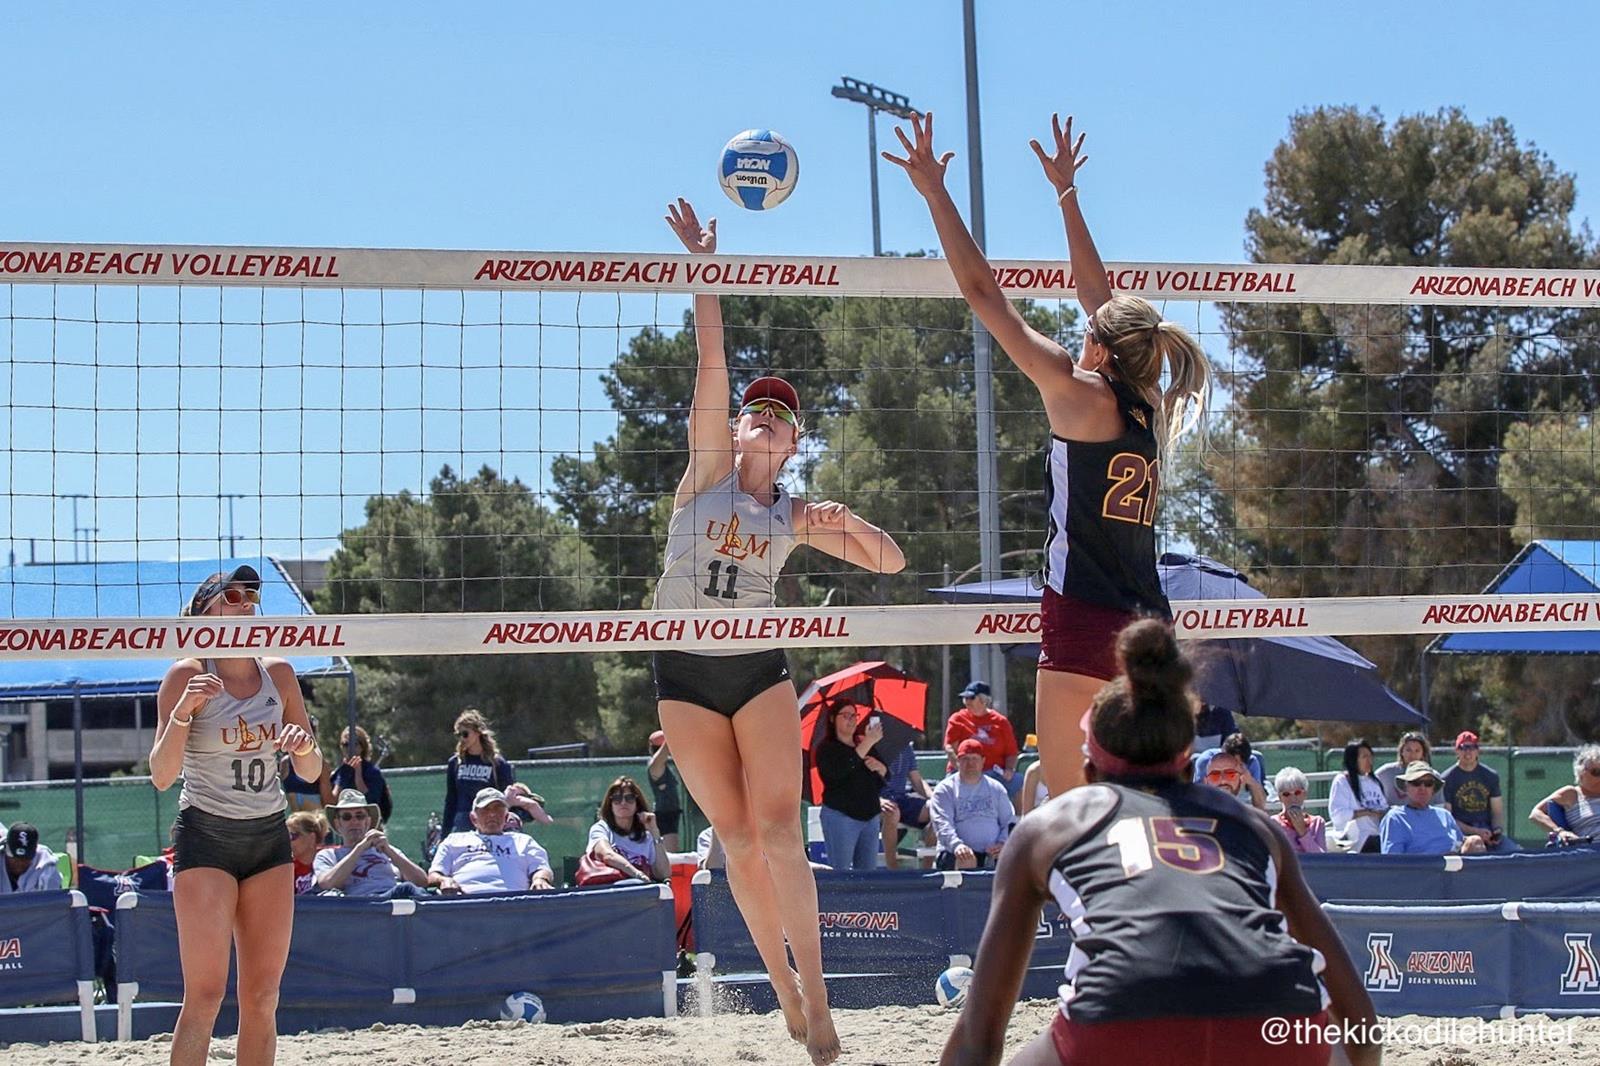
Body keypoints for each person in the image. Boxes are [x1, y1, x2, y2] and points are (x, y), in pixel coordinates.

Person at [887, 112, 1210, 801]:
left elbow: (983, 294)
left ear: (1100, 344)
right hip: (1148, 620)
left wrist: (935, 195)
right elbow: (1104, 302)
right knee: (1149, 801)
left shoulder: (1075, 387)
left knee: (1070, 813)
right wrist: (1066, 195)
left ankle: (1076, 912)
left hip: (1083, 616)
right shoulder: (1147, 398)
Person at [652, 198, 906, 1066]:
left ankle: (822, 1001)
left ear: (794, 443)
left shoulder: (795, 511)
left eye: (779, 413)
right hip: (684, 673)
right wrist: (705, 267)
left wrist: (849, 523)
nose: (763, 413)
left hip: (756, 670)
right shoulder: (708, 473)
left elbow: (891, 563)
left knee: (776, 835)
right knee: (737, 846)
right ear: (735, 429)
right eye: (756, 408)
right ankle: (788, 995)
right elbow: (711, 360)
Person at [940, 620, 1378, 1066]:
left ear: (1089, 772)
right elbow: (1362, 1026)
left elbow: (979, 1040)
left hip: (1122, 1020)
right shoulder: (1256, 826)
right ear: (1189, 767)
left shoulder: (1048, 826)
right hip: (1280, 1022)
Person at [148, 564, 322, 1066]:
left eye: (251, 595)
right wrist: (184, 712)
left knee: (263, 999)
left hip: (268, 837)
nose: (246, 602)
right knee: (204, 997)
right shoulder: (186, 674)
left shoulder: (280, 673)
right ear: (206, 610)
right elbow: (161, 775)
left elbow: (311, 772)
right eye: (233, 594)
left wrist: (303, 745)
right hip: (206, 836)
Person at [428, 788, 555, 895]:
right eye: (485, 810)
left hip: (514, 905)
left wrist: (540, 879)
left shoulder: (524, 842)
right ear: (473, 818)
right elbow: (434, 875)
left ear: (506, 818)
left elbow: (541, 868)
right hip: (465, 905)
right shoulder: (454, 840)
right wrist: (443, 880)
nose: (492, 814)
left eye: (497, 809)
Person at [312, 789, 432, 898]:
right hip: (362, 907)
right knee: (406, 888)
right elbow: (327, 883)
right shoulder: (328, 855)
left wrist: (389, 852)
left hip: (395, 902)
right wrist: (359, 849)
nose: (354, 821)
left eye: (360, 816)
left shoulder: (388, 851)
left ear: (368, 821)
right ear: (338, 824)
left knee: (410, 889)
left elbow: (422, 882)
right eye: (347, 817)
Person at [815, 705, 888, 872]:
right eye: (846, 715)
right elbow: (838, 773)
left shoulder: (864, 743)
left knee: (868, 875)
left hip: (870, 817)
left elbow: (883, 778)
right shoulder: (826, 749)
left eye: (854, 715)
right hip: (841, 816)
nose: (852, 720)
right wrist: (868, 741)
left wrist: (880, 768)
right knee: (841, 872)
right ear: (833, 719)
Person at [928, 739, 1015, 871]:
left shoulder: (996, 788)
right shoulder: (945, 789)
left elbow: (1009, 822)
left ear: (983, 761)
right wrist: (957, 846)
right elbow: (942, 825)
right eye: (965, 759)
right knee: (965, 861)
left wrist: (1003, 843)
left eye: (975, 758)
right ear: (958, 761)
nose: (970, 764)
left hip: (992, 854)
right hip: (955, 852)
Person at [1379, 763, 1487, 856]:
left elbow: (1458, 844)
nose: (1422, 788)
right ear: (1406, 787)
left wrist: (1471, 843)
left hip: (1453, 875)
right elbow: (1393, 863)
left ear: (1433, 789)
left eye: (1428, 783)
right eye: (1416, 783)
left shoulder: (1445, 816)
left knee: (1475, 841)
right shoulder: (1395, 818)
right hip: (1420, 876)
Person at [942, 682, 1022, 800]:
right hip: (963, 770)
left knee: (1018, 782)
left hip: (994, 773)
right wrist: (961, 768)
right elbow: (949, 748)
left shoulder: (1001, 722)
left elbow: (1011, 752)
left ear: (984, 700)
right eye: (965, 698)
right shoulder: (957, 719)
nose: (967, 701)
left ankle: (1019, 817)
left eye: (971, 698)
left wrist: (1009, 770)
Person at [441, 709, 516, 833]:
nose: (461, 738)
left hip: (489, 818)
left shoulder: (496, 762)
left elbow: (506, 796)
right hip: (463, 820)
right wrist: (445, 833)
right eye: (458, 735)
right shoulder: (456, 762)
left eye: (465, 734)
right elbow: (451, 800)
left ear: (477, 733)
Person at [1442, 731, 1518, 853]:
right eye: (1464, 748)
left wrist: (1496, 831)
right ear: (1457, 751)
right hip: (1461, 832)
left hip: (1486, 829)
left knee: (1516, 853)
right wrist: (1475, 832)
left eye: (1472, 747)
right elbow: (1448, 818)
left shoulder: (1490, 776)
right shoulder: (1447, 778)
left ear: (1478, 751)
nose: (1468, 752)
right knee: (1476, 847)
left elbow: (1497, 811)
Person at [586, 775, 671, 883]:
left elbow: (664, 874)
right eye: (617, 799)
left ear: (637, 804)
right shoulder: (601, 828)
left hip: (640, 892)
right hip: (607, 890)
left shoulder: (647, 837)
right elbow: (607, 855)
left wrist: (655, 832)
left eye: (629, 798)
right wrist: (637, 874)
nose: (623, 803)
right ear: (610, 804)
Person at [878, 737, 935, 869]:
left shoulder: (906, 748)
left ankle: (927, 867)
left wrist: (934, 798)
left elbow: (916, 780)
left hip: (901, 798)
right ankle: (892, 867)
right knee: (892, 811)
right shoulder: (872, 747)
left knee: (936, 810)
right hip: (878, 799)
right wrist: (878, 800)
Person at [1529, 743, 1600, 845]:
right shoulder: (1572, 794)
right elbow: (1535, 813)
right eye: (1596, 772)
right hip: (1591, 853)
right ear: (1581, 773)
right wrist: (1559, 831)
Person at [1327, 740, 1388, 852]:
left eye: (1370, 756)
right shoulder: (1342, 781)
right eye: (1364, 757)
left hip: (1379, 835)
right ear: (1353, 760)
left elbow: (1384, 807)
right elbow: (1337, 815)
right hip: (1357, 840)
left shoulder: (1375, 781)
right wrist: (1366, 812)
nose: (1369, 761)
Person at [329, 725, 392, 825]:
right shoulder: (339, 773)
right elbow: (331, 803)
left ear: (362, 747)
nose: (349, 749)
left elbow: (371, 802)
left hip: (369, 825)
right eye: (345, 744)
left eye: (354, 744)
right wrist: (342, 778)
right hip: (344, 826)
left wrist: (358, 775)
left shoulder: (372, 772)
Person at [1194, 734, 1267, 809]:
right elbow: (1198, 799)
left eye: (1238, 764)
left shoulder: (1252, 762)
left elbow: (1260, 806)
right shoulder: (1206, 761)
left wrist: (1251, 782)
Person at [1374, 732, 1442, 806]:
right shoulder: (1385, 773)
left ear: (1423, 753)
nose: (1412, 755)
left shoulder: (1433, 776)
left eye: (1417, 751)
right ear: (1401, 751)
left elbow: (1439, 805)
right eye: (1408, 750)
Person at [1271, 768, 1327, 854]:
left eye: (1297, 793)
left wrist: (1303, 832)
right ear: (1280, 798)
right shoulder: (1273, 823)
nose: (1293, 798)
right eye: (1286, 794)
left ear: (1305, 794)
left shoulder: (1317, 822)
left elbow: (1322, 860)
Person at [646, 730, 684, 852]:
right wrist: (673, 733)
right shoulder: (655, 765)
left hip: (671, 813)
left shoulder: (665, 766)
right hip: (665, 815)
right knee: (670, 855)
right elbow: (661, 756)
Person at [1, 823, 63, 894]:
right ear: (5, 851)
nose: (19, 863)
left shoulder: (47, 870)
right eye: (14, 858)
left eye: (25, 858)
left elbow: (52, 902)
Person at [285, 812, 327, 895]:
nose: (287, 841)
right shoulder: (288, 868)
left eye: (292, 836)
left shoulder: (331, 858)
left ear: (311, 838)